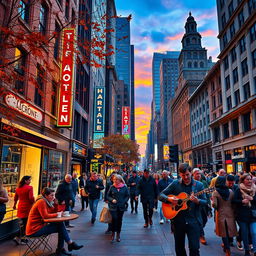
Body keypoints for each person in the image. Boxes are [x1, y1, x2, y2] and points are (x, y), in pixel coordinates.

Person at [159, 163, 207, 256]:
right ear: (180, 174)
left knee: (194, 248)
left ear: (191, 173)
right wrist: (169, 199)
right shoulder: (175, 183)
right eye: (183, 175)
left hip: (194, 221)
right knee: (179, 248)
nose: (185, 177)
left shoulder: (198, 185)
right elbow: (161, 195)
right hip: (178, 221)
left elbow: (205, 202)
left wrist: (197, 201)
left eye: (187, 174)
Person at [26, 187, 83, 256]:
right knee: (60, 227)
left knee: (60, 225)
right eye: (51, 195)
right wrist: (58, 214)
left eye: (54, 195)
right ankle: (64, 247)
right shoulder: (41, 202)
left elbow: (53, 212)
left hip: (39, 226)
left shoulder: (47, 202)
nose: (53, 197)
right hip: (34, 230)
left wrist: (56, 204)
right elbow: (45, 216)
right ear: (46, 195)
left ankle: (63, 249)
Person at [212, 176, 237, 256]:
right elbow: (234, 203)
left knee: (223, 232)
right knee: (229, 230)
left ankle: (227, 249)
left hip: (221, 213)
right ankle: (229, 244)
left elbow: (215, 205)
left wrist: (213, 203)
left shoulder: (215, 192)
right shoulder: (230, 191)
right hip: (230, 213)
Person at [233, 173, 256, 256]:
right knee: (245, 233)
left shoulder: (255, 188)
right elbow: (234, 201)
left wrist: (252, 199)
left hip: (253, 215)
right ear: (243, 180)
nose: (249, 180)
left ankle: (255, 249)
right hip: (242, 215)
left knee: (254, 232)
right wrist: (242, 201)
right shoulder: (238, 189)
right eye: (247, 179)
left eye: (250, 179)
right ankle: (247, 250)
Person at [107, 174, 129, 242]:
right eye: (114, 179)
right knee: (114, 219)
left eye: (116, 179)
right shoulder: (112, 187)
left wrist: (124, 201)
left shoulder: (124, 187)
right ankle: (113, 234)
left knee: (119, 220)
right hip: (113, 206)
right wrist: (112, 199)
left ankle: (118, 234)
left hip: (121, 206)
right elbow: (108, 196)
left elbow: (127, 196)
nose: (115, 181)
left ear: (120, 180)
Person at [13, 176, 35, 244]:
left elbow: (15, 198)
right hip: (27, 207)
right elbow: (31, 198)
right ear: (25, 181)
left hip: (20, 206)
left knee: (22, 224)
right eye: (29, 180)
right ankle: (22, 239)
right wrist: (34, 203)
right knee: (25, 224)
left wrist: (14, 205)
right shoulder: (30, 187)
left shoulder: (18, 188)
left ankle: (17, 237)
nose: (30, 181)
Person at [192, 168, 210, 245]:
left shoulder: (204, 182)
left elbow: (207, 194)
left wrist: (208, 204)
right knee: (199, 221)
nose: (198, 175)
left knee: (204, 220)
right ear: (193, 175)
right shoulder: (191, 183)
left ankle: (199, 230)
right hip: (195, 207)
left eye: (199, 173)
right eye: (197, 174)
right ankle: (201, 235)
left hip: (203, 205)